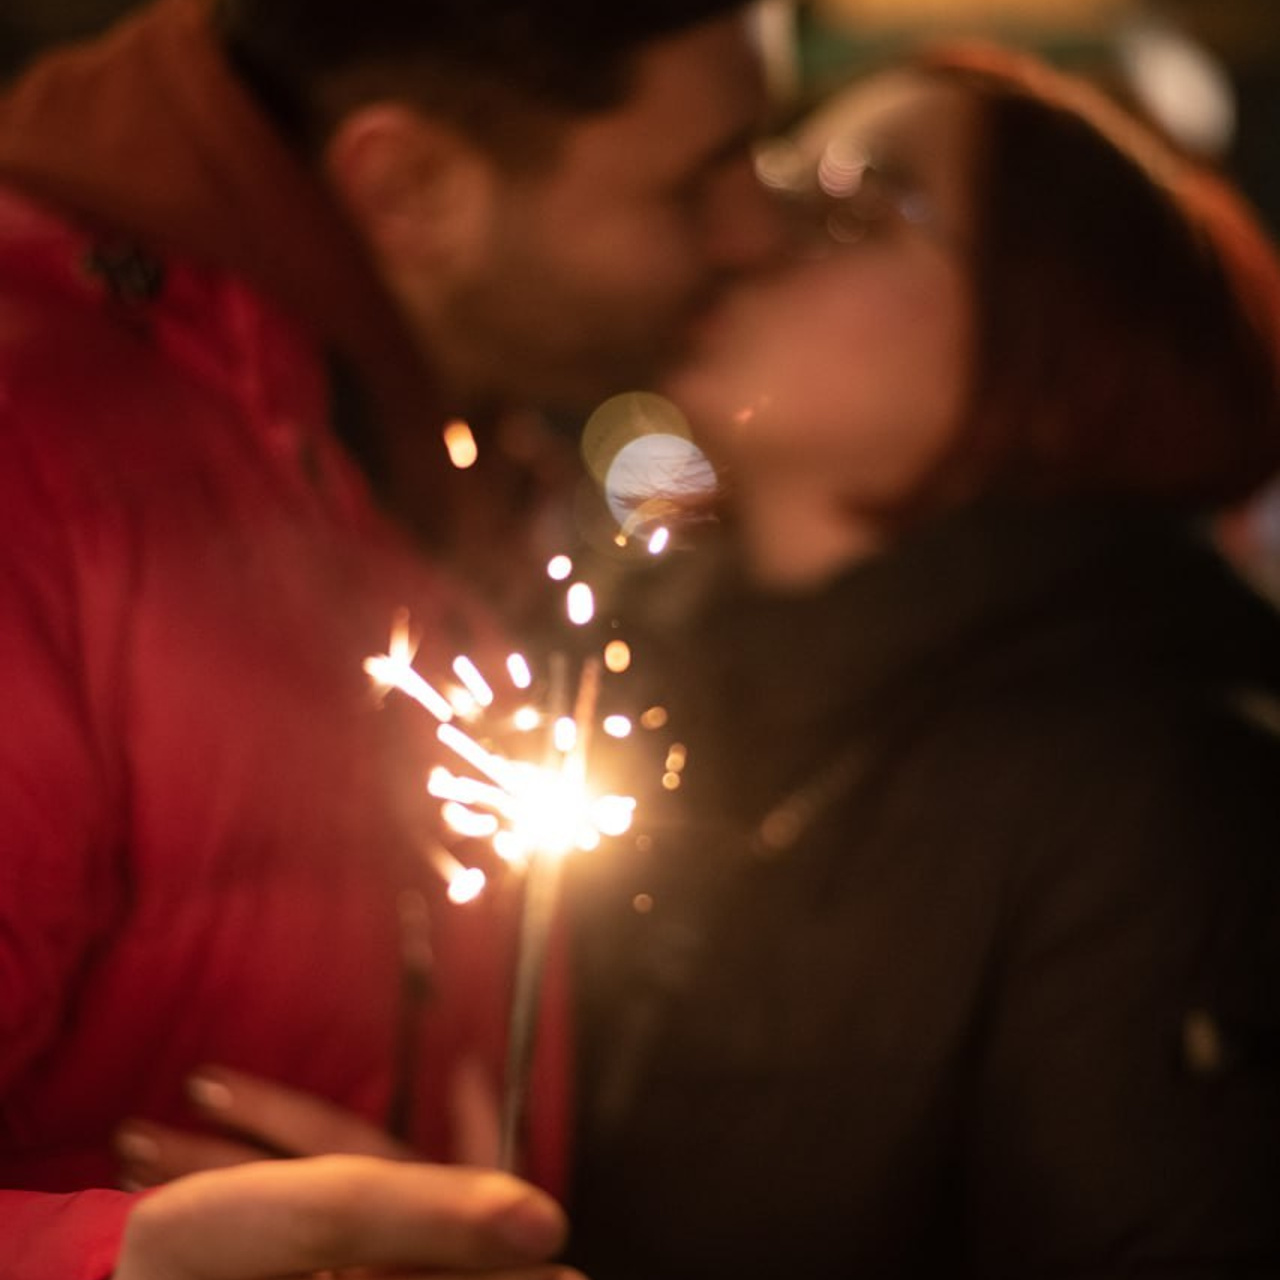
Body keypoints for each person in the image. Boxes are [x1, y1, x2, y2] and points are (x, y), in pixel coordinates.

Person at [0, 0, 786, 1275]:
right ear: (408, 182)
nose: (756, 230)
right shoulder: (35, 459)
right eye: (698, 178)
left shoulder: (410, 461)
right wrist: (125, 1260)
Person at [564, 43, 1280, 1279]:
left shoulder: (1149, 793)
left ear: (1058, 339)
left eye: (853, 202)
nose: (740, 228)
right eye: (769, 166)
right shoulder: (643, 687)